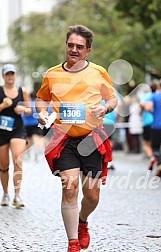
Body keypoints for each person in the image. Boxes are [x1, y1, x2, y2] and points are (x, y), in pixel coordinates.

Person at [36, 25, 117, 252]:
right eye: (70, 45)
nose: (74, 50)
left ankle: (83, 221)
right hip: (64, 139)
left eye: (79, 47)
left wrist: (106, 109)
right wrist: (42, 113)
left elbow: (111, 99)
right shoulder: (52, 74)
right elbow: (41, 99)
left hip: (91, 139)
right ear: (66, 46)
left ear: (88, 51)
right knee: (69, 187)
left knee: (92, 196)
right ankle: (72, 242)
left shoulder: (98, 72)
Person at [0, 64, 31, 208]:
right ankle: (6, 194)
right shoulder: (0, 91)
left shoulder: (22, 91)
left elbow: (30, 110)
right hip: (1, 130)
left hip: (17, 129)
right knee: (4, 165)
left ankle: (17, 195)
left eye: (12, 74)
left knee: (18, 159)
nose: (10, 77)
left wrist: (23, 109)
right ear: (3, 76)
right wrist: (3, 106)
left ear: (15, 75)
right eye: (7, 74)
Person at [141, 78, 161, 177]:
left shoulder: (154, 96)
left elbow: (147, 107)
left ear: (159, 86)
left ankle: (160, 165)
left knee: (155, 147)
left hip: (157, 126)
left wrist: (152, 112)